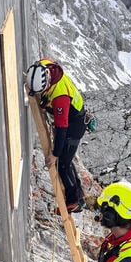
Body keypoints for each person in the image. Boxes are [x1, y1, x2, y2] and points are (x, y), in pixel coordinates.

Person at [26, 58, 88, 212]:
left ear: (47, 83)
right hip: (72, 119)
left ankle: (75, 202)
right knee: (67, 160)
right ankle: (78, 194)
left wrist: (54, 155)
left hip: (74, 126)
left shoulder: (60, 98)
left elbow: (62, 129)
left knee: (63, 163)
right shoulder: (45, 64)